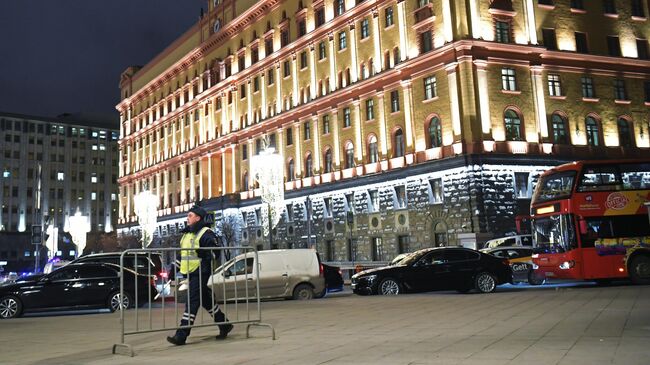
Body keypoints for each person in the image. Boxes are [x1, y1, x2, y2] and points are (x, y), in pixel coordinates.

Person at [167, 205, 233, 346]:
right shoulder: (187, 234)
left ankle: (181, 335)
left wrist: (206, 253)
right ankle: (224, 324)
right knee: (205, 300)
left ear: (198, 218)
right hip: (191, 272)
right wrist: (174, 269)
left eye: (190, 215)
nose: (187, 218)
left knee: (192, 302)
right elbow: (183, 254)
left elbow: (215, 252)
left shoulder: (205, 233)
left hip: (201, 272)